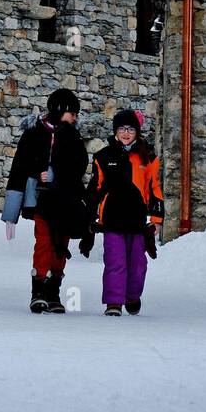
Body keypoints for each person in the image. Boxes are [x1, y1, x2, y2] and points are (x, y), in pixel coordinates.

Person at [1, 87, 88, 314]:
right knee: (44, 242)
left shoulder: (73, 136)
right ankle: (38, 289)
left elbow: (79, 166)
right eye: (72, 112)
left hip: (65, 201)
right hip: (41, 200)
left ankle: (53, 291)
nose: (75, 117)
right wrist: (12, 213)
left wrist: (58, 175)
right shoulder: (34, 133)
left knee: (61, 245)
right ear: (59, 109)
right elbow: (20, 166)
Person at [80, 108, 164, 316]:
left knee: (138, 264)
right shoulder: (103, 156)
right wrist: (89, 216)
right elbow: (95, 189)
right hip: (112, 219)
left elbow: (155, 189)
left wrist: (156, 218)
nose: (126, 133)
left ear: (137, 132)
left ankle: (132, 296)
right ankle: (114, 302)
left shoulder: (149, 158)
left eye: (130, 129)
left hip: (137, 220)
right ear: (115, 131)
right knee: (115, 262)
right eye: (121, 129)